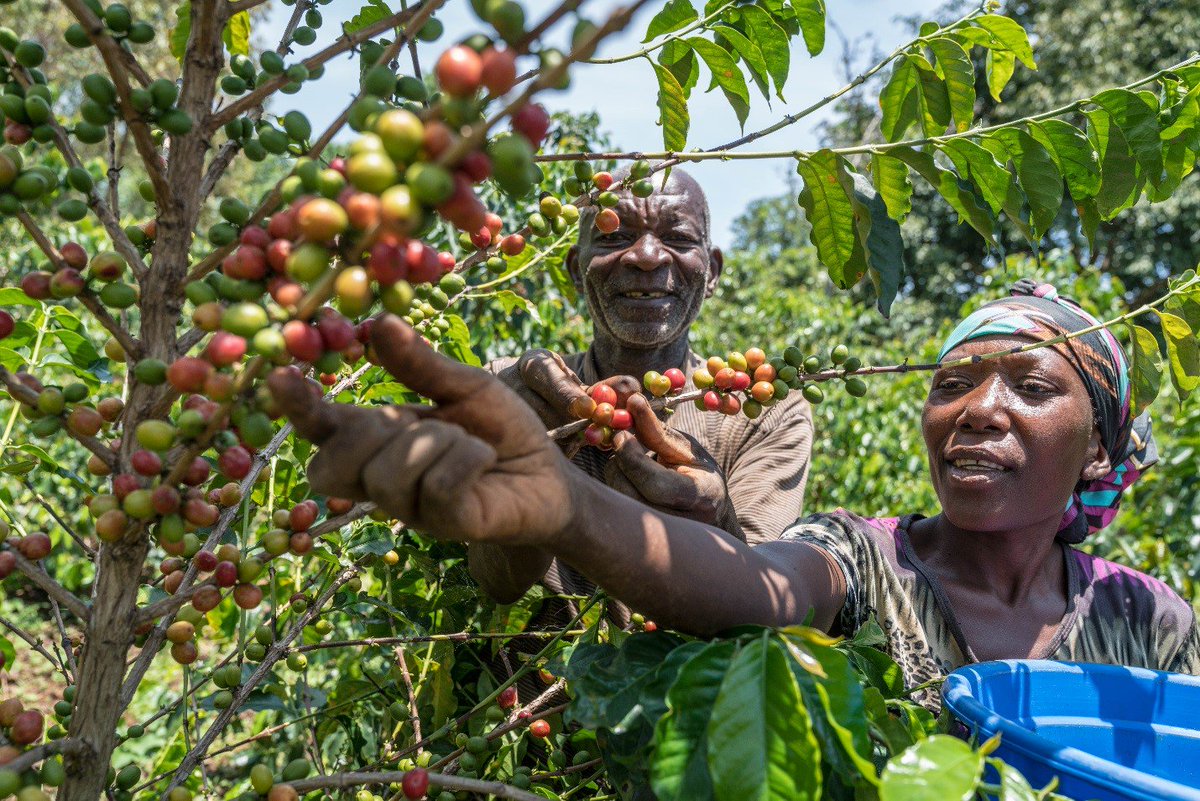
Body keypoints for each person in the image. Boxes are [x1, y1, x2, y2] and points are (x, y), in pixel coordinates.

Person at [269, 279, 1200, 710]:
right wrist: (565, 505)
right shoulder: (862, 559)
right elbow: (744, 585)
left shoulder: (1151, 625)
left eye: (1031, 388)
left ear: (1097, 450)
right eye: (952, 382)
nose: (976, 411)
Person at [471, 167, 812, 611]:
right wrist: (525, 458)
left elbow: (764, 603)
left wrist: (717, 524)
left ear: (712, 273)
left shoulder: (766, 410)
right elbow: (496, 582)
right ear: (577, 270)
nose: (648, 256)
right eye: (614, 238)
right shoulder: (512, 392)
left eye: (678, 238)